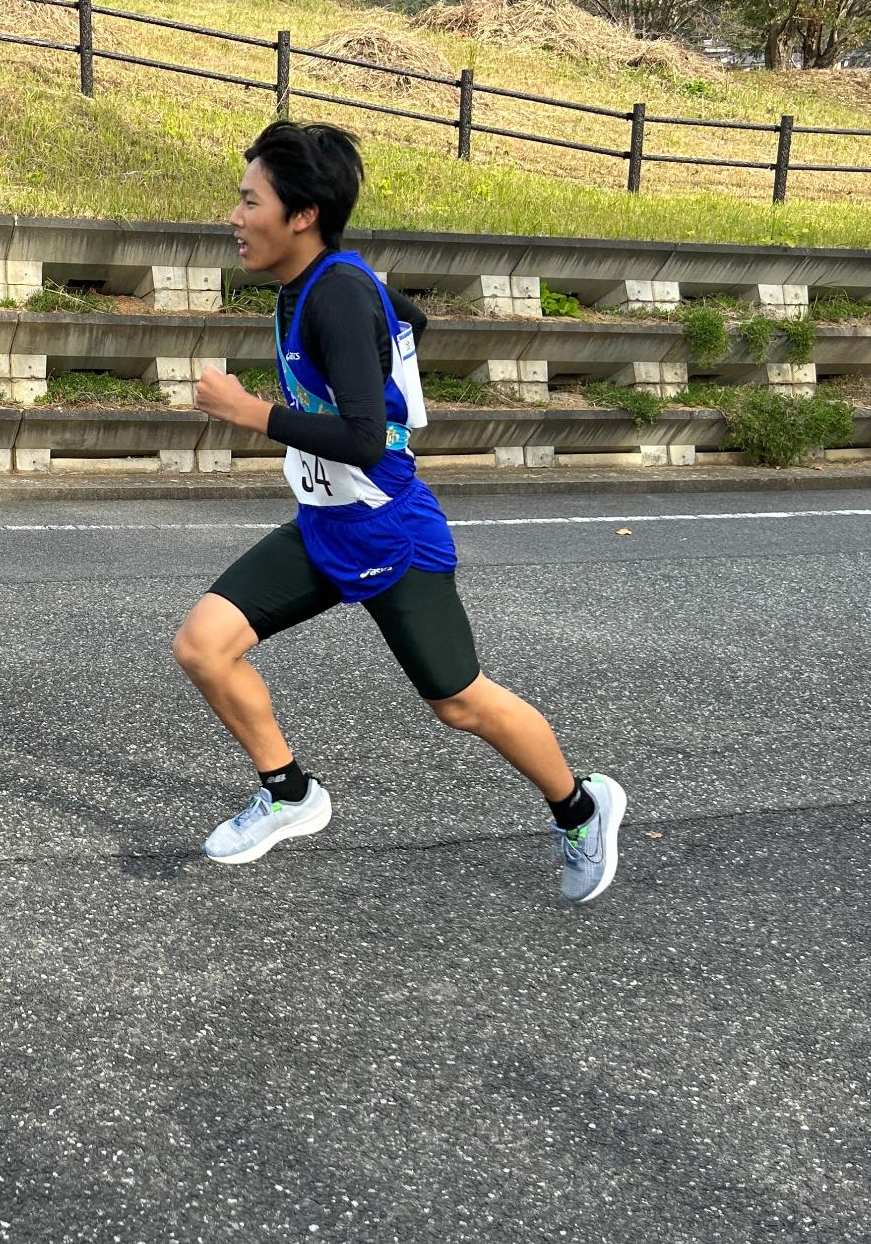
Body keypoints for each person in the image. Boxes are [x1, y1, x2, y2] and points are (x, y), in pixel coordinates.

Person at [176, 120, 625, 903]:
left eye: (250, 202)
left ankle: (583, 807)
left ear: (302, 213)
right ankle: (289, 794)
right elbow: (410, 323)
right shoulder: (321, 285)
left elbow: (360, 438)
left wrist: (250, 412)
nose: (235, 218)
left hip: (389, 530)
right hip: (325, 526)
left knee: (460, 701)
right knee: (203, 646)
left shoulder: (338, 295)